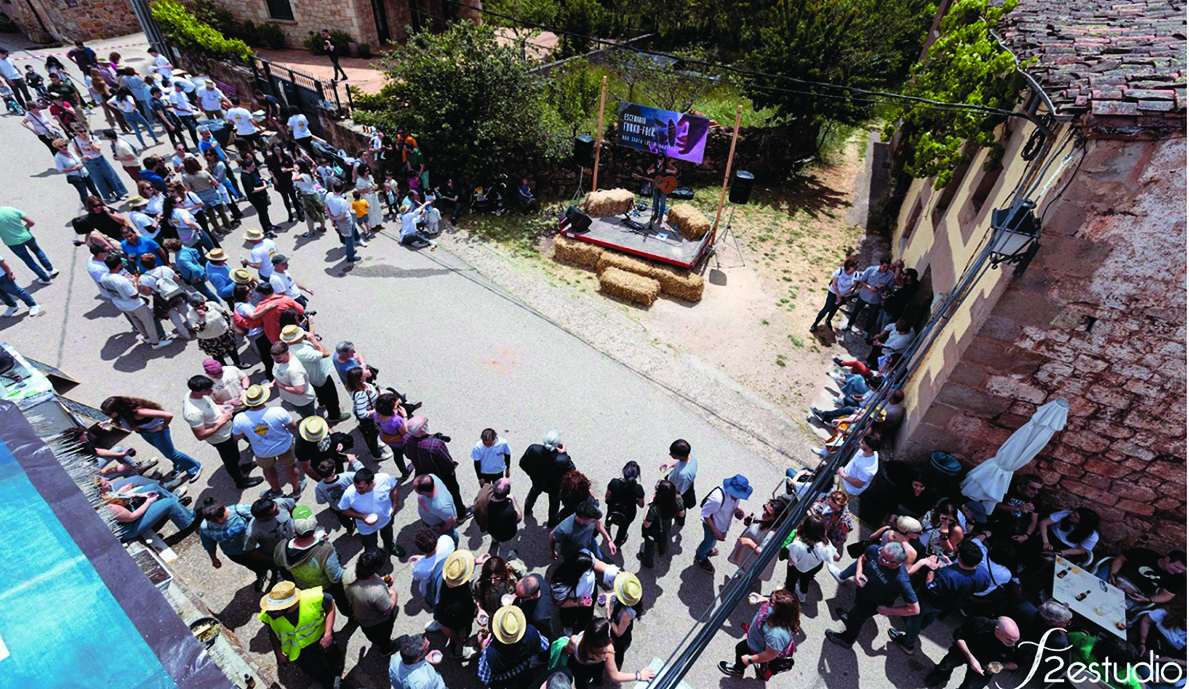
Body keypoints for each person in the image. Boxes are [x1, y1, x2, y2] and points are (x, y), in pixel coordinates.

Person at [890, 540, 992, 654]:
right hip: (949, 603)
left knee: (915, 616)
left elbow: (930, 587)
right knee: (931, 616)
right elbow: (981, 588)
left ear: (960, 556)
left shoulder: (949, 576)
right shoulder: (983, 573)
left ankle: (908, 643)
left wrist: (932, 568)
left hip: (929, 600)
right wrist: (951, 566)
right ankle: (917, 628)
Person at [825, 541, 920, 648]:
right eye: (881, 553)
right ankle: (850, 617)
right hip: (862, 592)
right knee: (856, 610)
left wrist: (888, 611)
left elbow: (915, 609)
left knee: (856, 620)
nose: (879, 559)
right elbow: (862, 558)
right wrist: (858, 573)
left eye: (885, 559)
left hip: (872, 604)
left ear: (896, 563)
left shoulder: (901, 580)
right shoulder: (875, 549)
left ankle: (847, 640)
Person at [183, 375, 263, 489]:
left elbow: (211, 405)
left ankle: (239, 468)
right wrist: (222, 421)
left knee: (234, 455)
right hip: (221, 438)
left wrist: (227, 404)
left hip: (228, 430)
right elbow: (201, 435)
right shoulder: (193, 413)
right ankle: (240, 481)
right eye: (207, 390)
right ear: (196, 391)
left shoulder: (197, 395)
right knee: (230, 460)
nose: (211, 391)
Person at [259, 581, 342, 689]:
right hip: (299, 651)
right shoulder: (268, 615)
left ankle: (337, 670)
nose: (268, 612)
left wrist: (328, 634)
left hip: (321, 638)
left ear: (287, 606)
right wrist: (278, 654)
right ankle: (328, 682)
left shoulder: (313, 598)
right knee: (316, 670)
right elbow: (272, 633)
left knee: (333, 657)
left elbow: (330, 605)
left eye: (274, 610)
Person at [101, 395, 201, 482]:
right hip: (145, 432)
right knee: (166, 451)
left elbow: (168, 415)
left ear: (119, 409)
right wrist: (109, 421)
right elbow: (122, 419)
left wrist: (162, 426)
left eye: (109, 413)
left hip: (158, 433)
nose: (108, 415)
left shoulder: (139, 412)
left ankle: (194, 467)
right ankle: (179, 465)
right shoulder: (124, 413)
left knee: (171, 453)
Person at [231, 384, 302, 498]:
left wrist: (248, 432)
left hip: (262, 451)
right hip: (284, 445)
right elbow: (293, 426)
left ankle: (276, 490)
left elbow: (236, 437)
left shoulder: (240, 418)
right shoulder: (278, 411)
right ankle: (296, 489)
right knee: (290, 466)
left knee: (268, 469)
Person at [718, 589, 798, 679]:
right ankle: (761, 665)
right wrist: (763, 598)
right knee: (756, 656)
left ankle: (738, 669)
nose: (768, 601)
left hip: (756, 647)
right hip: (759, 640)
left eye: (771, 601)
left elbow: (769, 655)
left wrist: (749, 659)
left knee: (740, 649)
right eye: (771, 596)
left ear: (779, 611)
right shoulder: (782, 614)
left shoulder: (775, 634)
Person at [199, 497, 277, 589]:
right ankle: (261, 574)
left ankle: (276, 575)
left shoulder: (239, 510)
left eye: (221, 516)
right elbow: (208, 543)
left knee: (271, 561)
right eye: (214, 521)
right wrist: (214, 559)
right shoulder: (205, 527)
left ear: (224, 508)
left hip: (256, 548)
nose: (220, 521)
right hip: (235, 554)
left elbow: (262, 517)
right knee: (253, 566)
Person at [923, 616, 1020, 689]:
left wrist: (1001, 665)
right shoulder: (979, 623)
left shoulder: (1016, 644)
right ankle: (940, 676)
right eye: (1009, 640)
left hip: (986, 665)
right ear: (997, 630)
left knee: (972, 686)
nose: (1013, 644)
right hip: (965, 651)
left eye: (1015, 640)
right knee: (946, 664)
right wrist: (971, 658)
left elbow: (1016, 663)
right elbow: (958, 636)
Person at [276, 512, 347, 611]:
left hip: (305, 588)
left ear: (294, 531)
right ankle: (349, 615)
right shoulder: (325, 550)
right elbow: (335, 577)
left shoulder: (281, 547)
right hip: (328, 587)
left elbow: (280, 566)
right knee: (342, 603)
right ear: (315, 529)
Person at [403, 416, 469, 519]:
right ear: (421, 429)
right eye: (425, 422)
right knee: (454, 493)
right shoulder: (436, 445)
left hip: (422, 474)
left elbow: (408, 455)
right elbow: (447, 463)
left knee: (432, 496)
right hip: (442, 476)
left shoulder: (406, 440)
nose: (427, 423)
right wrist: (452, 469)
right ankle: (461, 514)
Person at [97, 475, 196, 542]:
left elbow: (118, 498)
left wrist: (140, 494)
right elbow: (132, 517)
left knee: (153, 487)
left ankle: (178, 505)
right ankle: (188, 522)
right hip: (130, 527)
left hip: (129, 510)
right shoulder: (108, 507)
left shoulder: (103, 495)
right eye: (105, 484)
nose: (108, 483)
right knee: (168, 503)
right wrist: (148, 502)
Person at [563, 618, 656, 689]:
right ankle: (598, 681)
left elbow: (565, 651)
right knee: (598, 674)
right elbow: (615, 676)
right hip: (595, 668)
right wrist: (639, 675)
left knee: (580, 683)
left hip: (577, 668)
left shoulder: (575, 640)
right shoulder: (607, 651)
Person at [98, 254, 169, 346]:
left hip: (121, 304)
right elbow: (134, 295)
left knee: (137, 322)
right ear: (119, 265)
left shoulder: (104, 277)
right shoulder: (122, 281)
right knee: (149, 322)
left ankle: (146, 337)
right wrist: (135, 282)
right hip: (135, 305)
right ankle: (155, 342)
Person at [337, 466, 403, 556]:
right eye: (356, 487)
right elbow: (343, 509)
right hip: (366, 528)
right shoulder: (349, 493)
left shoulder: (384, 478)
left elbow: (394, 488)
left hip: (386, 518)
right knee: (370, 547)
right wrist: (362, 517)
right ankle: (374, 559)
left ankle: (390, 546)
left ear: (371, 482)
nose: (358, 490)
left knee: (388, 535)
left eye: (361, 488)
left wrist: (394, 505)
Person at [479, 605, 548, 688]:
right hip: (523, 667)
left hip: (503, 679)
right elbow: (545, 646)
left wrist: (483, 648)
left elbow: (484, 678)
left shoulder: (489, 655)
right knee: (526, 681)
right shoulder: (531, 632)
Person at [345, 547, 399, 654]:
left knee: (372, 636)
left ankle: (378, 643)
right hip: (377, 623)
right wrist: (393, 594)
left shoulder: (348, 572)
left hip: (361, 618)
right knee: (384, 638)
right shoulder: (377, 592)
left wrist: (381, 580)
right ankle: (386, 650)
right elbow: (388, 609)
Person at [694, 474, 752, 573]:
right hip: (711, 526)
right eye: (738, 495)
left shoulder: (734, 495)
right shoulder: (717, 499)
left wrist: (742, 513)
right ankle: (700, 555)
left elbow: (736, 504)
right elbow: (705, 515)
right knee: (709, 541)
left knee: (712, 542)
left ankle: (707, 549)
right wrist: (716, 532)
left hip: (721, 525)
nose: (738, 498)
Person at [727, 495, 790, 584]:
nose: (764, 513)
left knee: (748, 570)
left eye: (768, 514)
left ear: (776, 519)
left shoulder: (772, 534)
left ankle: (748, 580)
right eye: (765, 508)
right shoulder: (765, 516)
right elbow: (757, 519)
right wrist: (751, 521)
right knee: (742, 561)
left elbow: (764, 553)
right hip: (747, 550)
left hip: (754, 557)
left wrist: (749, 542)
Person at [520, 430, 576, 528]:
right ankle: (552, 521)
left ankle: (527, 509)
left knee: (533, 493)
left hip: (537, 480)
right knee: (554, 503)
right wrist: (564, 453)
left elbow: (522, 463)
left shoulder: (533, 449)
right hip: (554, 486)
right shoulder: (562, 459)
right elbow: (572, 470)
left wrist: (530, 473)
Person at [1102, 548, 1186, 609]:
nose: (1178, 571)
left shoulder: (1177, 579)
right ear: (1167, 559)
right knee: (1095, 586)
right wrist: (1113, 573)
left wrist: (1148, 599)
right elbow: (1121, 559)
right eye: (1177, 567)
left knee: (1117, 609)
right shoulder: (1146, 554)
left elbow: (1166, 595)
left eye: (1182, 570)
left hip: (1133, 593)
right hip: (1116, 575)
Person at [138, 254, 196, 339]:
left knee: (173, 315)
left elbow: (147, 293)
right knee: (184, 309)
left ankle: (185, 334)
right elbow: (176, 278)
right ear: (155, 261)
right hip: (175, 292)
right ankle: (194, 326)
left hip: (162, 298)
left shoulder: (144, 278)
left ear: (142, 265)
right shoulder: (164, 268)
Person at [784, 514, 837, 603]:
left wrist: (796, 538)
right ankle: (802, 596)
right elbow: (836, 556)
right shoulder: (825, 543)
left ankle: (788, 597)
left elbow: (791, 561)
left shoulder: (797, 545)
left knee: (791, 581)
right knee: (805, 580)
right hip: (813, 567)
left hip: (797, 568)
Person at [436, 550, 479, 659]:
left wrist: (476, 562)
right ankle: (457, 653)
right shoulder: (453, 606)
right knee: (461, 638)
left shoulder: (447, 576)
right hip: (461, 624)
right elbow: (446, 627)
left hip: (459, 614)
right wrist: (456, 637)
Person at [0, 207, 57, 285]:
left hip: (13, 243)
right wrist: (26, 228)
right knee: (37, 251)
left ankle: (45, 278)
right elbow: (31, 222)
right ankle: (51, 270)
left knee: (28, 260)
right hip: (27, 236)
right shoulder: (10, 209)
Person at [72, 128, 129, 203]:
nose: (83, 133)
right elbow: (77, 150)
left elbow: (98, 149)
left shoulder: (93, 138)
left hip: (99, 158)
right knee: (99, 180)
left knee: (110, 176)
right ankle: (110, 195)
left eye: (84, 131)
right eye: (81, 132)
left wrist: (90, 142)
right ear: (77, 133)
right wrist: (82, 157)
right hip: (89, 161)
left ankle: (120, 193)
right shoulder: (75, 140)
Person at [551, 499, 617, 562]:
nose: (596, 521)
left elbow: (598, 523)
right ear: (582, 520)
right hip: (572, 551)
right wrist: (552, 551)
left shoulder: (591, 512)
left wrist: (609, 540)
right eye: (593, 521)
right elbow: (552, 536)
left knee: (600, 558)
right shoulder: (564, 529)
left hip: (590, 542)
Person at [846, 255, 896, 336]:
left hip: (876, 299)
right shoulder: (871, 269)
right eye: (884, 266)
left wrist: (884, 287)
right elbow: (861, 280)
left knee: (871, 316)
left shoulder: (890, 275)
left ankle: (866, 331)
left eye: (887, 267)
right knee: (855, 311)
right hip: (864, 295)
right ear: (880, 264)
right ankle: (849, 325)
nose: (885, 269)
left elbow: (890, 288)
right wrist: (869, 287)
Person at [639, 479, 684, 568]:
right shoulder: (678, 500)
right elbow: (682, 514)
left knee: (649, 547)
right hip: (666, 527)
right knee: (663, 538)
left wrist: (649, 505)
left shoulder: (654, 508)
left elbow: (646, 524)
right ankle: (661, 550)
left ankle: (648, 562)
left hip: (653, 531)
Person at [1033, 506, 1100, 563]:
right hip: (1052, 537)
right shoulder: (1066, 514)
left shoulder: (1093, 535)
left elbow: (1081, 550)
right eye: (1073, 513)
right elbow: (1043, 523)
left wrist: (1059, 553)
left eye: (1076, 517)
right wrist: (1046, 542)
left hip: (1069, 549)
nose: (1071, 515)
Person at [810, 257, 859, 332]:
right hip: (833, 292)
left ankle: (828, 320)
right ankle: (815, 324)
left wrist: (844, 294)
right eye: (855, 267)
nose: (856, 269)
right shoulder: (839, 271)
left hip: (844, 295)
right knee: (826, 308)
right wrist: (838, 295)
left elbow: (853, 287)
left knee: (834, 308)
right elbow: (834, 284)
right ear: (849, 266)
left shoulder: (856, 274)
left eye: (857, 267)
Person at [603, 462, 646, 548]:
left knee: (609, 514)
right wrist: (636, 500)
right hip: (628, 513)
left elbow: (607, 496)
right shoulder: (638, 489)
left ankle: (608, 524)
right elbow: (641, 504)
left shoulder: (614, 482)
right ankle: (617, 543)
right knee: (623, 528)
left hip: (613, 507)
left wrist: (608, 501)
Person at [271, 341, 318, 419]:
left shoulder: (294, 370)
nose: (275, 360)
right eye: (273, 357)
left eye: (278, 357)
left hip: (302, 401)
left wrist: (281, 386)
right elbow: (278, 371)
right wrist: (274, 382)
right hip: (293, 399)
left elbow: (300, 391)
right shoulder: (279, 359)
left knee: (311, 419)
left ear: (287, 353)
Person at [660, 438, 698, 526]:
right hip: (678, 481)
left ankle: (679, 521)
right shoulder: (690, 453)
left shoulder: (683, 476)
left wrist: (666, 494)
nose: (670, 454)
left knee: (678, 507)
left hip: (677, 489)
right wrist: (671, 465)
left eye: (673, 454)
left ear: (681, 456)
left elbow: (678, 493)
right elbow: (681, 463)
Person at [54, 137, 102, 206]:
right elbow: (60, 169)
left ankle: (101, 204)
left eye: (65, 145)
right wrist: (74, 169)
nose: (64, 147)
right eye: (62, 146)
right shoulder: (58, 157)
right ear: (58, 148)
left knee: (94, 190)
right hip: (75, 177)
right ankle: (89, 208)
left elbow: (77, 160)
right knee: (84, 193)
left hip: (85, 173)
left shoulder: (70, 152)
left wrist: (83, 158)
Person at [414, 473, 459, 545]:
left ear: (424, 492)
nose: (414, 489)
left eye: (415, 488)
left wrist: (441, 529)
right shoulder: (432, 477)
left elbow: (451, 521)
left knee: (450, 537)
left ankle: (453, 545)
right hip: (430, 518)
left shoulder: (441, 506)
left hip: (439, 525)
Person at [240, 157, 276, 235]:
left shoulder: (252, 171)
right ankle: (266, 230)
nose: (254, 167)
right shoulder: (245, 177)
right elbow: (252, 190)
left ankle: (269, 225)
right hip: (256, 198)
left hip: (262, 195)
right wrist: (264, 187)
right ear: (247, 167)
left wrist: (262, 178)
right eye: (252, 166)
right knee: (262, 213)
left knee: (265, 211)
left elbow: (257, 178)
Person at [325, 180, 358, 261]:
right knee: (349, 238)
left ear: (332, 187)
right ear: (342, 190)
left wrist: (332, 219)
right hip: (345, 221)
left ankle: (348, 244)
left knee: (345, 232)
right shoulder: (343, 202)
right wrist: (335, 219)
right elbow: (342, 217)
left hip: (335, 218)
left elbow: (326, 209)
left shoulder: (328, 195)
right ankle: (350, 256)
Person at [644, 155, 677, 227]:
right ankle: (655, 214)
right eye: (659, 160)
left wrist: (669, 171)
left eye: (661, 160)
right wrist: (650, 171)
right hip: (656, 185)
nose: (660, 161)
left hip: (665, 186)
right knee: (655, 200)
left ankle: (660, 217)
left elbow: (675, 171)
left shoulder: (667, 165)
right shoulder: (655, 165)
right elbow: (648, 171)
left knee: (662, 202)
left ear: (664, 160)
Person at [168, 81, 201, 147]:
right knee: (192, 128)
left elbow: (186, 102)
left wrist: (191, 106)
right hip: (182, 114)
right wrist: (186, 110)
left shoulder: (182, 93)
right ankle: (196, 143)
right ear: (176, 87)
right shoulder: (173, 95)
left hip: (189, 112)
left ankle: (199, 141)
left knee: (196, 125)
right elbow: (175, 106)